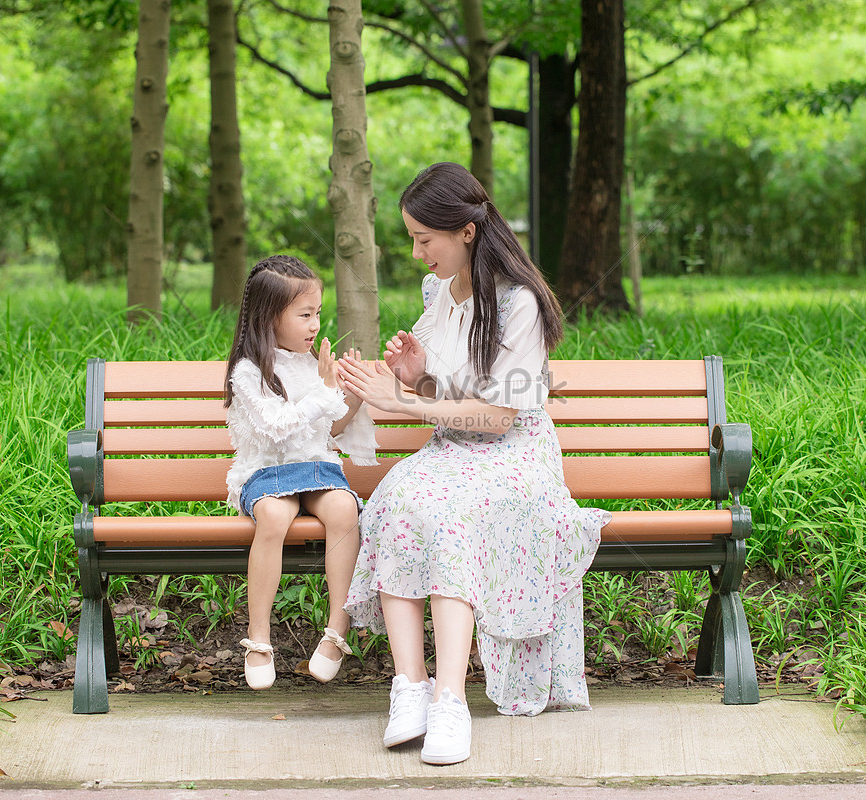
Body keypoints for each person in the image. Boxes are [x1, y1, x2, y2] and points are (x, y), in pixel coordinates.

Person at [339, 162, 610, 766]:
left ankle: (449, 701)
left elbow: (499, 416)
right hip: (453, 453)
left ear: (465, 231)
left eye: (423, 239)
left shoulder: (521, 304)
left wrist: (405, 401)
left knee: (456, 513)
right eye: (411, 238)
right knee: (400, 500)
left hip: (514, 459)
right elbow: (449, 385)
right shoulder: (440, 291)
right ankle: (408, 688)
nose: (416, 254)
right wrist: (418, 372)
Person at [224, 254, 378, 690]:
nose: (315, 325)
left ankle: (336, 632)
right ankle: (258, 638)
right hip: (268, 472)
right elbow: (275, 429)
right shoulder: (249, 371)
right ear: (269, 317)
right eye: (305, 315)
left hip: (315, 470)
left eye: (317, 314)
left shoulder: (314, 365)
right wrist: (326, 390)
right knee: (273, 516)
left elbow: (328, 429)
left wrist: (353, 394)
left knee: (346, 509)